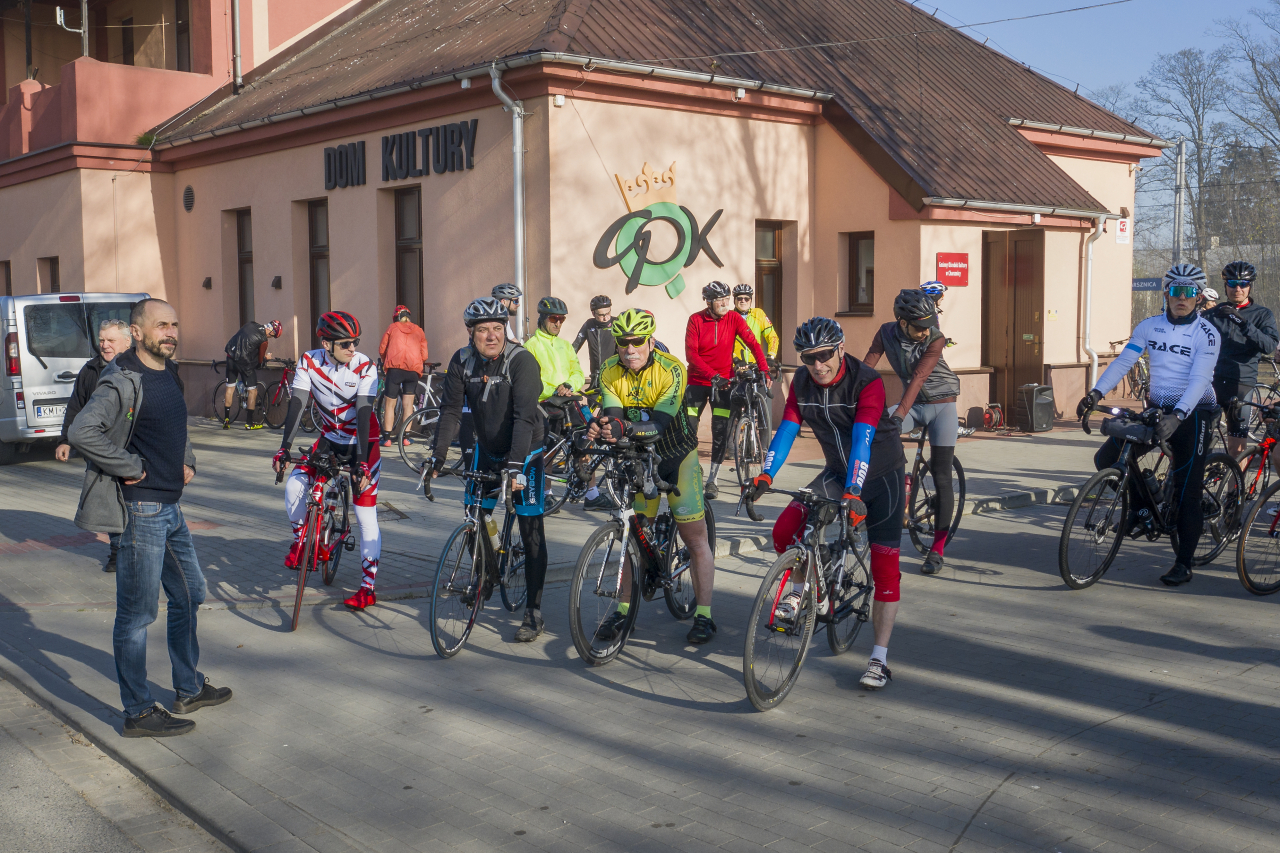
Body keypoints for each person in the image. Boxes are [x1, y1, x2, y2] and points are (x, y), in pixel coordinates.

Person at [69, 298, 231, 737]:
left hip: (170, 507)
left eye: (174, 324)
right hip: (141, 510)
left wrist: (188, 459)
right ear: (138, 333)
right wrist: (130, 466)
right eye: (161, 325)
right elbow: (82, 431)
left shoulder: (169, 372)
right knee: (137, 614)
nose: (171, 332)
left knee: (190, 594)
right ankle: (138, 712)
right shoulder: (121, 380)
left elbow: (176, 426)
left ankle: (188, 687)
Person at [747, 317, 906, 690]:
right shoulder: (802, 382)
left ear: (840, 349)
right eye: (808, 358)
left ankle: (879, 659)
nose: (818, 365)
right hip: (837, 472)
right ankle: (808, 589)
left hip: (881, 476)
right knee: (786, 529)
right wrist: (766, 474)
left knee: (885, 568)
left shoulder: (866, 381)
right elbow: (787, 429)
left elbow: (863, 438)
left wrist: (854, 490)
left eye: (824, 356)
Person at [1077, 263, 1221, 587]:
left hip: (1194, 411)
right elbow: (1124, 361)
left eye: (1188, 292)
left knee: (1187, 491)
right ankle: (1141, 509)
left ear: (1198, 297)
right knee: (1107, 458)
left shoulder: (1207, 334)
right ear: (1166, 294)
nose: (1181, 298)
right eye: (1175, 291)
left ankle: (1184, 563)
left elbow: (1200, 379)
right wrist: (1095, 393)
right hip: (1157, 408)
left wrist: (1179, 415)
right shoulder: (1149, 326)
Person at [589, 308, 719, 645]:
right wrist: (601, 427)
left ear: (650, 341)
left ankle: (704, 616)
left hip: (676, 457)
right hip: (638, 460)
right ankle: (622, 610)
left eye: (637, 341)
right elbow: (614, 416)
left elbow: (659, 424)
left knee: (695, 539)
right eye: (623, 342)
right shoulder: (609, 370)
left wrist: (623, 428)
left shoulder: (671, 368)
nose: (630, 349)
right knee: (631, 539)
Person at [429, 298, 550, 643]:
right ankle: (486, 573)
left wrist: (515, 467)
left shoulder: (521, 360)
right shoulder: (462, 360)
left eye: (498, 328)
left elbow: (524, 418)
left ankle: (533, 612)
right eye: (483, 330)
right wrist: (438, 457)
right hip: (487, 448)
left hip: (525, 451)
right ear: (471, 332)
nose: (492, 336)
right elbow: (451, 411)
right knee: (474, 516)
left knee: (530, 529)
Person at [272, 311, 383, 611]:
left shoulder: (365, 367)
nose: (352, 348)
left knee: (365, 515)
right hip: (330, 439)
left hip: (364, 444)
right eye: (345, 343)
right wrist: (284, 448)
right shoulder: (309, 361)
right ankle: (302, 542)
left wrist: (361, 463)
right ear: (326, 344)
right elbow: (297, 403)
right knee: (295, 485)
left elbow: (363, 412)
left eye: (355, 341)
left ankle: (368, 587)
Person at [864, 289, 960, 575]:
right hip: (914, 405)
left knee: (942, 475)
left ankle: (937, 549)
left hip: (942, 405)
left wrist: (898, 416)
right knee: (875, 433)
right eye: (919, 327)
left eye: (928, 326)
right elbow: (866, 368)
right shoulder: (885, 333)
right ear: (902, 322)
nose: (925, 331)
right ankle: (897, 486)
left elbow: (919, 377)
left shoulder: (935, 338)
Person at [56, 318, 132, 573]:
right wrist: (65, 440)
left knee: (133, 503)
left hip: (132, 450)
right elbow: (76, 406)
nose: (105, 345)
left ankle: (134, 549)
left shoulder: (138, 369)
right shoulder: (90, 370)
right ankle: (117, 552)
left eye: (111, 340)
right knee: (109, 503)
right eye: (101, 340)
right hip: (100, 450)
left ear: (127, 341)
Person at [684, 281, 769, 498]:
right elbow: (691, 355)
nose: (725, 304)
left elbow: (753, 343)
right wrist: (712, 375)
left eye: (726, 299)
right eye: (720, 300)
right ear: (708, 302)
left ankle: (712, 480)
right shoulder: (695, 320)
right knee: (688, 430)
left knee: (721, 431)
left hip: (724, 386)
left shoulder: (733, 318)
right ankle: (693, 468)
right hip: (697, 383)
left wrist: (764, 369)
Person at [1203, 262, 1279, 457]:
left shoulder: (1262, 314)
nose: (1238, 288)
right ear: (1225, 285)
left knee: (1237, 448)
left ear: (1250, 286)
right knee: (1198, 442)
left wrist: (1242, 322)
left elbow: (1269, 346)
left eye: (1243, 284)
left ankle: (1234, 479)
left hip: (1241, 384)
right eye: (1232, 283)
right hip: (1210, 383)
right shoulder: (1212, 314)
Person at [377, 305, 431, 447]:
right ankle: (405, 438)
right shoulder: (419, 330)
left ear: (395, 317)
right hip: (413, 371)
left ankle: (387, 438)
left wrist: (385, 360)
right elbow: (425, 354)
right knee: (408, 405)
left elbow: (382, 348)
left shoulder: (392, 328)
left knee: (390, 405)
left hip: (394, 370)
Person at [222, 318, 282, 429]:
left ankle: (226, 421)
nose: (271, 338)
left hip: (230, 357)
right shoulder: (264, 341)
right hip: (244, 364)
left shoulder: (250, 324)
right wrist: (266, 358)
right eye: (273, 336)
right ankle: (249, 423)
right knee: (253, 391)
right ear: (271, 331)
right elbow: (260, 361)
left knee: (229, 389)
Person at [573, 295, 617, 389]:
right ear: (593, 313)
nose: (606, 318)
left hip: (615, 376)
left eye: (608, 313)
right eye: (601, 315)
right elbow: (575, 346)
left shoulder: (617, 323)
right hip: (596, 377)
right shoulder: (589, 325)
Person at [731, 284, 780, 368]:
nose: (743, 301)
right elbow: (724, 344)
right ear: (734, 300)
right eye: (739, 298)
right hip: (736, 365)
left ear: (751, 300)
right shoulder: (729, 317)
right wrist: (735, 359)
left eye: (746, 299)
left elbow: (772, 336)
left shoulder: (758, 314)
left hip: (755, 365)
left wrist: (771, 356)